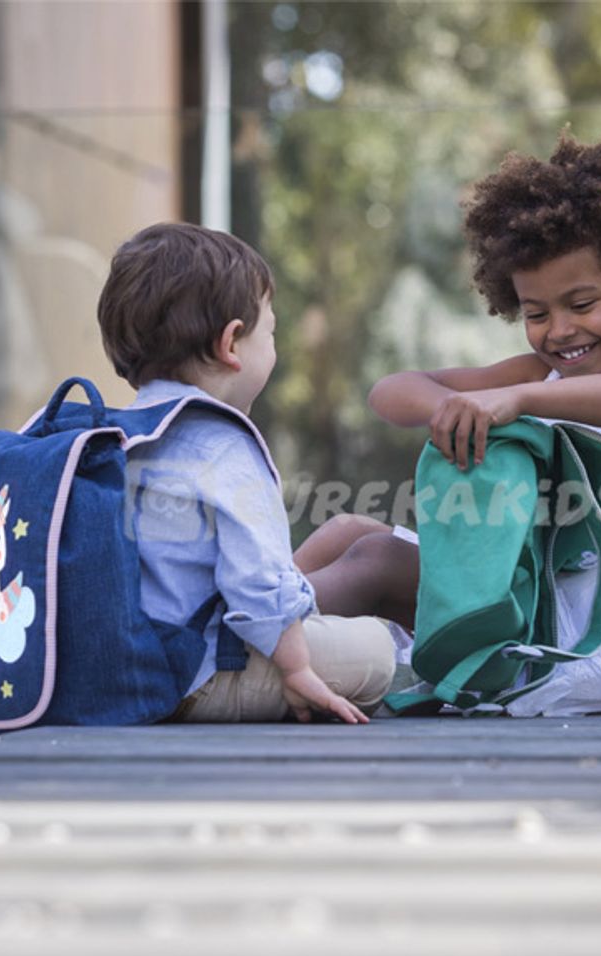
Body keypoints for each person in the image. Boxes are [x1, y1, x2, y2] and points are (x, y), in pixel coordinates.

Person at [364, 130, 601, 715]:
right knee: (352, 534)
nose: (559, 331)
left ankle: (233, 642)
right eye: (535, 313)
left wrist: (518, 401)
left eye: (582, 305)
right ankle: (240, 624)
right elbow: (390, 392)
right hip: (550, 603)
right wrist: (457, 408)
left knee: (375, 566)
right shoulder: (539, 374)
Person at [98, 222, 395, 724]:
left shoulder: (113, 439)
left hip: (119, 669)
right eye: (271, 333)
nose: (274, 348)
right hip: (197, 679)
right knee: (376, 650)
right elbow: (256, 578)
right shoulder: (223, 445)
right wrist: (297, 670)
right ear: (231, 344)